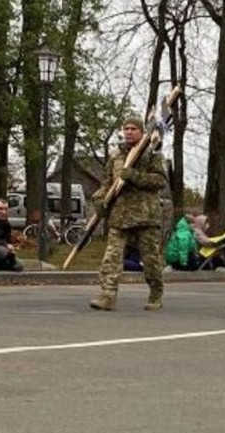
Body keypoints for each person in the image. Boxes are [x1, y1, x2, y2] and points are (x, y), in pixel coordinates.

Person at [89, 115, 168, 311]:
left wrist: (135, 176)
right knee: (111, 257)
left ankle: (156, 292)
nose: (129, 132)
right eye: (126, 128)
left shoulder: (152, 153)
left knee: (150, 259)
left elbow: (160, 181)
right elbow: (107, 182)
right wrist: (99, 199)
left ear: (142, 132)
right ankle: (107, 294)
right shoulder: (116, 155)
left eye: (133, 128)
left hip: (145, 215)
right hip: (120, 215)